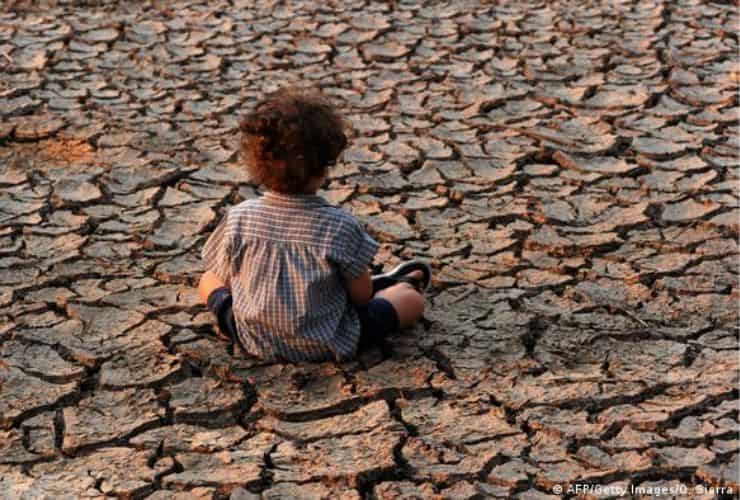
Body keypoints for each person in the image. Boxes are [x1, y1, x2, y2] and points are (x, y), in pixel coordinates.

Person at [197, 87, 431, 363]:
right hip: (328, 340)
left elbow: (225, 277)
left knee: (207, 279)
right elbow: (361, 296)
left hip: (252, 337)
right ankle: (394, 283)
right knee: (410, 300)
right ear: (323, 167)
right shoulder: (340, 226)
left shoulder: (239, 217)